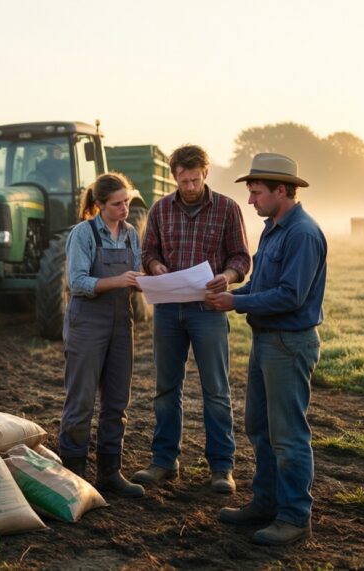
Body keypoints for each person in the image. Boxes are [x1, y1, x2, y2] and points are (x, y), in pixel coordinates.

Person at [206, 153, 326, 546]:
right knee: (259, 427)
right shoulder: (273, 229)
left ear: (281, 190)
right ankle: (266, 503)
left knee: (288, 435)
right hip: (266, 341)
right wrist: (231, 293)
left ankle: (294, 518)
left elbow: (291, 296)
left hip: (288, 344)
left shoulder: (303, 234)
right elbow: (263, 287)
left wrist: (235, 304)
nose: (251, 200)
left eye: (256, 193)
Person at [132, 144, 250, 494]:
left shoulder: (228, 209)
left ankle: (221, 467)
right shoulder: (159, 210)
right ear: (174, 177)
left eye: (195, 179)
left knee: (216, 390)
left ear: (206, 173)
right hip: (168, 307)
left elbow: (242, 257)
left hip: (208, 308)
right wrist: (155, 266)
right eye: (183, 180)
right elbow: (148, 251)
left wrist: (226, 277)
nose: (189, 187)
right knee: (166, 388)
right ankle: (164, 461)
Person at [59, 172, 145, 498]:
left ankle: (110, 472)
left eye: (127, 201)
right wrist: (118, 281)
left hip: (122, 323)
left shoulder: (130, 234)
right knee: (81, 401)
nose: (125, 208)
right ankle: (74, 477)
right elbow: (77, 282)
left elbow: (134, 275)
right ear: (99, 205)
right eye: (117, 204)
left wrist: (148, 280)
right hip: (88, 323)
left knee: (117, 401)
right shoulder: (83, 234)